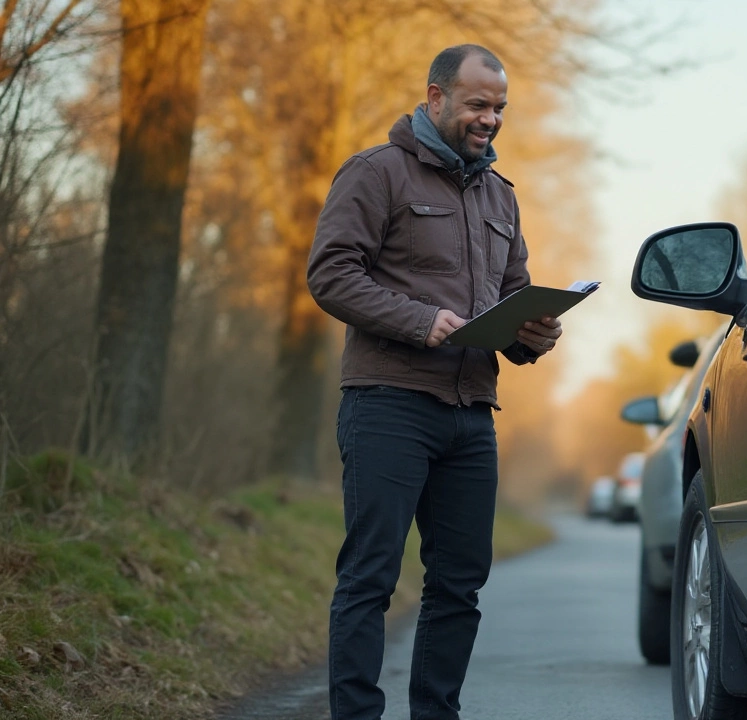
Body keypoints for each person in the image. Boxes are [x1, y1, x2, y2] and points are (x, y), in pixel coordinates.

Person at [306, 44, 562, 720]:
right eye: (479, 104)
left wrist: (533, 335)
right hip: (388, 402)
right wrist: (421, 321)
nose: (490, 119)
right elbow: (331, 275)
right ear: (436, 98)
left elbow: (512, 297)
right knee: (371, 579)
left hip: (472, 411)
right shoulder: (376, 173)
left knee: (460, 588)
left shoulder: (501, 197)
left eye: (500, 107)